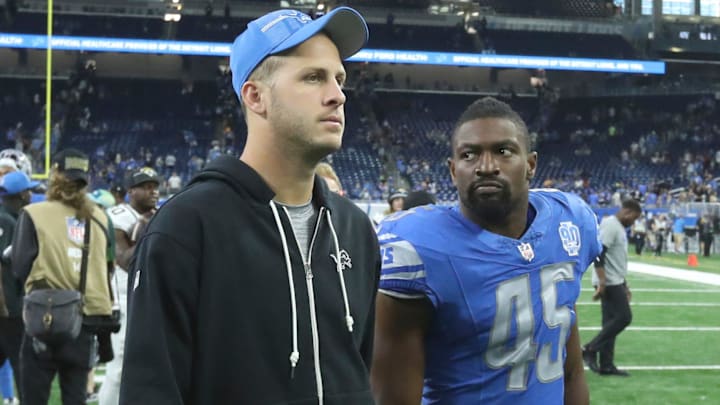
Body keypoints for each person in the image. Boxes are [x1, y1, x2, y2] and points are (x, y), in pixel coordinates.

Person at [120, 7, 380, 405]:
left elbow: (360, 368)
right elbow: (151, 390)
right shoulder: (188, 227)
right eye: (313, 77)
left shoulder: (355, 230)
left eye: (339, 79)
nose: (337, 94)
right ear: (255, 96)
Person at [371, 97, 601, 405]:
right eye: (470, 155)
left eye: (503, 151)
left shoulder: (568, 218)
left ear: (530, 164)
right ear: (453, 171)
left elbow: (571, 370)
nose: (486, 167)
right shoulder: (420, 247)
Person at [10, 149, 115, 404]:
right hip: (84, 322)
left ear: (55, 175)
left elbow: (19, 267)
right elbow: (107, 269)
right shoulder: (101, 218)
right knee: (75, 399)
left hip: (42, 319)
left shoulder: (34, 213)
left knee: (34, 399)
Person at [98, 168, 159, 405]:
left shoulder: (158, 214)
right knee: (119, 369)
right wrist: (146, 230)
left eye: (155, 185)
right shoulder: (118, 214)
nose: (153, 191)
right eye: (145, 186)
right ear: (131, 191)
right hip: (121, 300)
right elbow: (125, 260)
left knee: (147, 368)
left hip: (148, 298)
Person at [582, 199, 642, 377]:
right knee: (624, 317)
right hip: (608, 281)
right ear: (627, 212)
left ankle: (606, 365)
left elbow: (617, 260)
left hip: (615, 280)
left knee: (610, 323)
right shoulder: (611, 225)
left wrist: (625, 284)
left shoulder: (619, 227)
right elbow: (599, 253)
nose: (634, 222)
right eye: (634, 218)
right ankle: (590, 349)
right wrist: (601, 282)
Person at [0, 171, 39, 405]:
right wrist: (4, 305)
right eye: (29, 190)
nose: (32, 193)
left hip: (8, 305)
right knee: (22, 364)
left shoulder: (10, 217)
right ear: (21, 194)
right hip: (9, 308)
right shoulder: (7, 220)